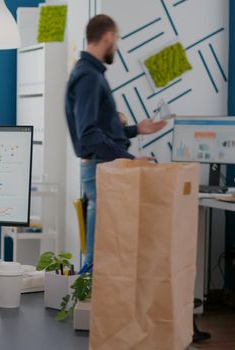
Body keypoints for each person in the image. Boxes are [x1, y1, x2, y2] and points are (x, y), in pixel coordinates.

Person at [65, 15, 167, 269]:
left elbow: (98, 127)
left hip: (102, 166)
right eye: (117, 39)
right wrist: (131, 160)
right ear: (108, 36)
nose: (116, 46)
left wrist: (135, 129)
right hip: (102, 168)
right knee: (99, 254)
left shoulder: (90, 73)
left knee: (105, 251)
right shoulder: (88, 76)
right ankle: (85, 304)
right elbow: (88, 133)